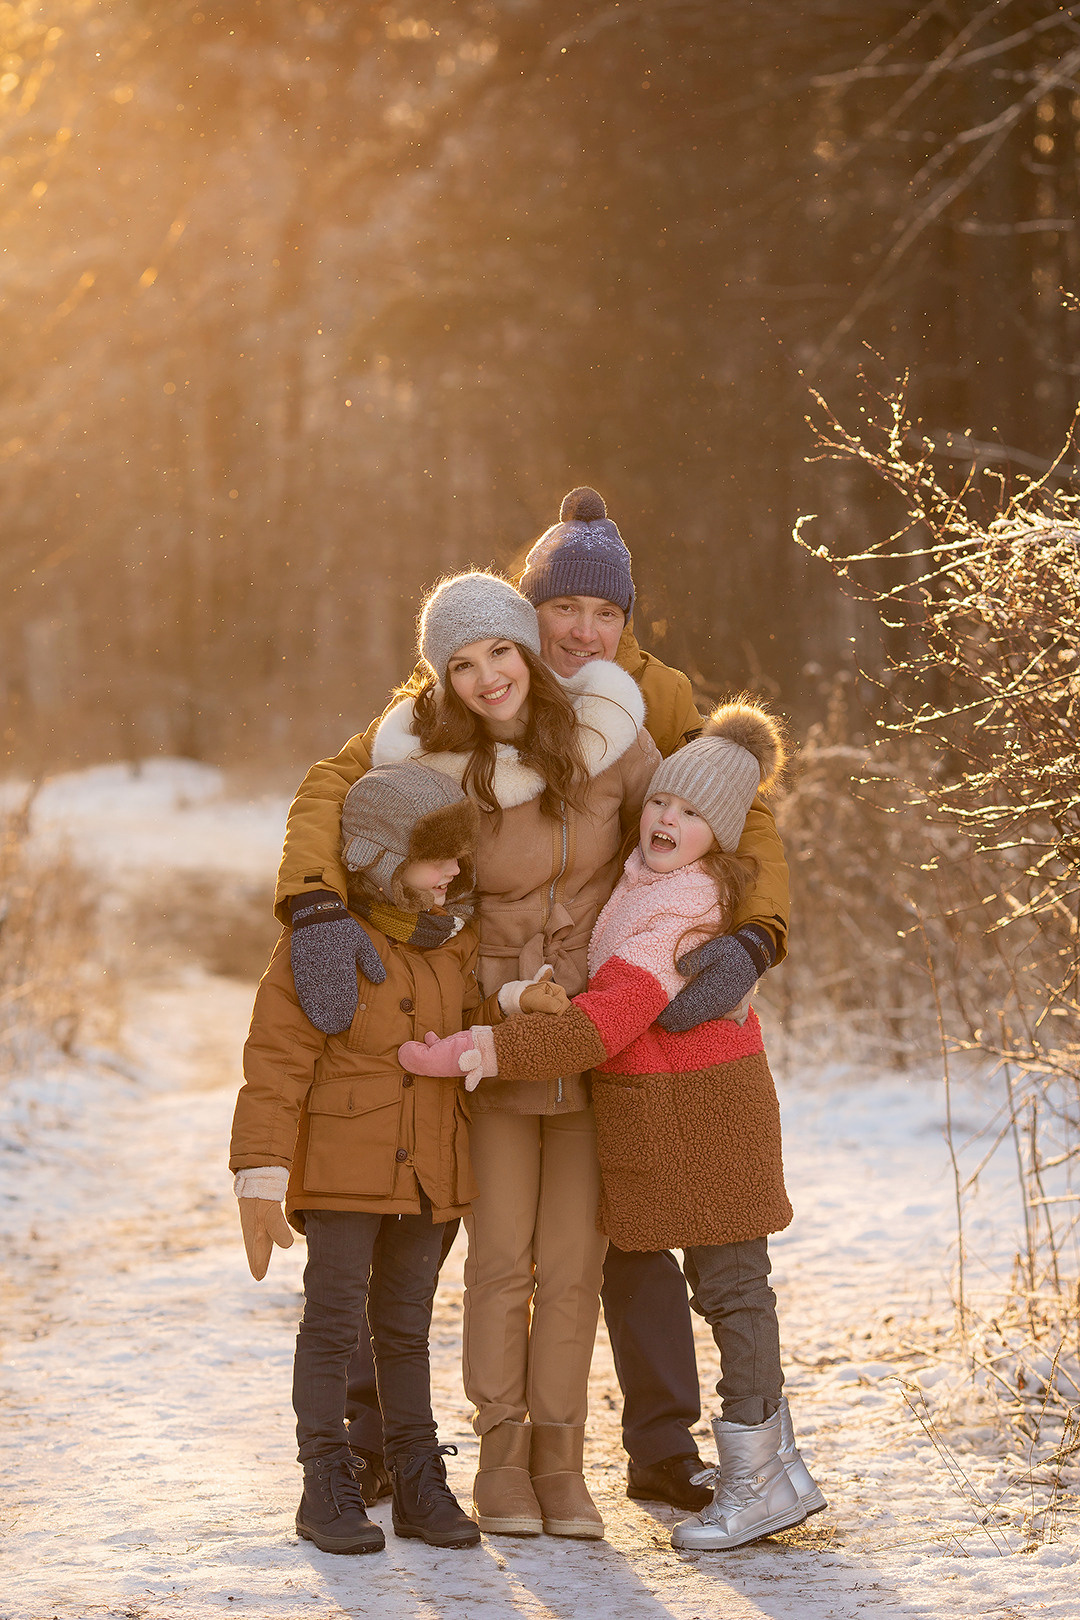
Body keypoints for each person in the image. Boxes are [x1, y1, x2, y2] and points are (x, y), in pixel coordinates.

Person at [270, 488, 791, 1514]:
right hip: (479, 1010)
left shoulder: (648, 703)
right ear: (526, 608)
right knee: (428, 1220)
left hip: (609, 1020)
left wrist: (754, 932)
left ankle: (649, 1451)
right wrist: (315, 903)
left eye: (606, 612)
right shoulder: (454, 695)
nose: (581, 630)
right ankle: (387, 1443)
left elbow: (737, 807)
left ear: (628, 621)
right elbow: (338, 787)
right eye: (563, 609)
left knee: (618, 1243)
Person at [400, 699, 827, 1551]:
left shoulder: (678, 908)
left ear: (725, 834)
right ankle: (774, 1469)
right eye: (664, 800)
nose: (669, 818)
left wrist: (485, 1044)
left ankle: (756, 1478)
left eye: (695, 813)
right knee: (719, 1286)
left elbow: (602, 1024)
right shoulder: (648, 877)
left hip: (710, 1114)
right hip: (673, 1113)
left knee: (734, 1289)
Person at [228, 760, 560, 1555]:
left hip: (428, 1174)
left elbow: (456, 1021)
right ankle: (326, 1480)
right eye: (436, 855)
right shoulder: (323, 945)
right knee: (335, 1323)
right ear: (382, 856)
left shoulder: (450, 942)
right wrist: (261, 1174)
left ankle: (415, 1475)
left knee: (407, 1328)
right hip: (344, 1172)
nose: (454, 870)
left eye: (457, 854)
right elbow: (274, 1063)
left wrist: (511, 1004)